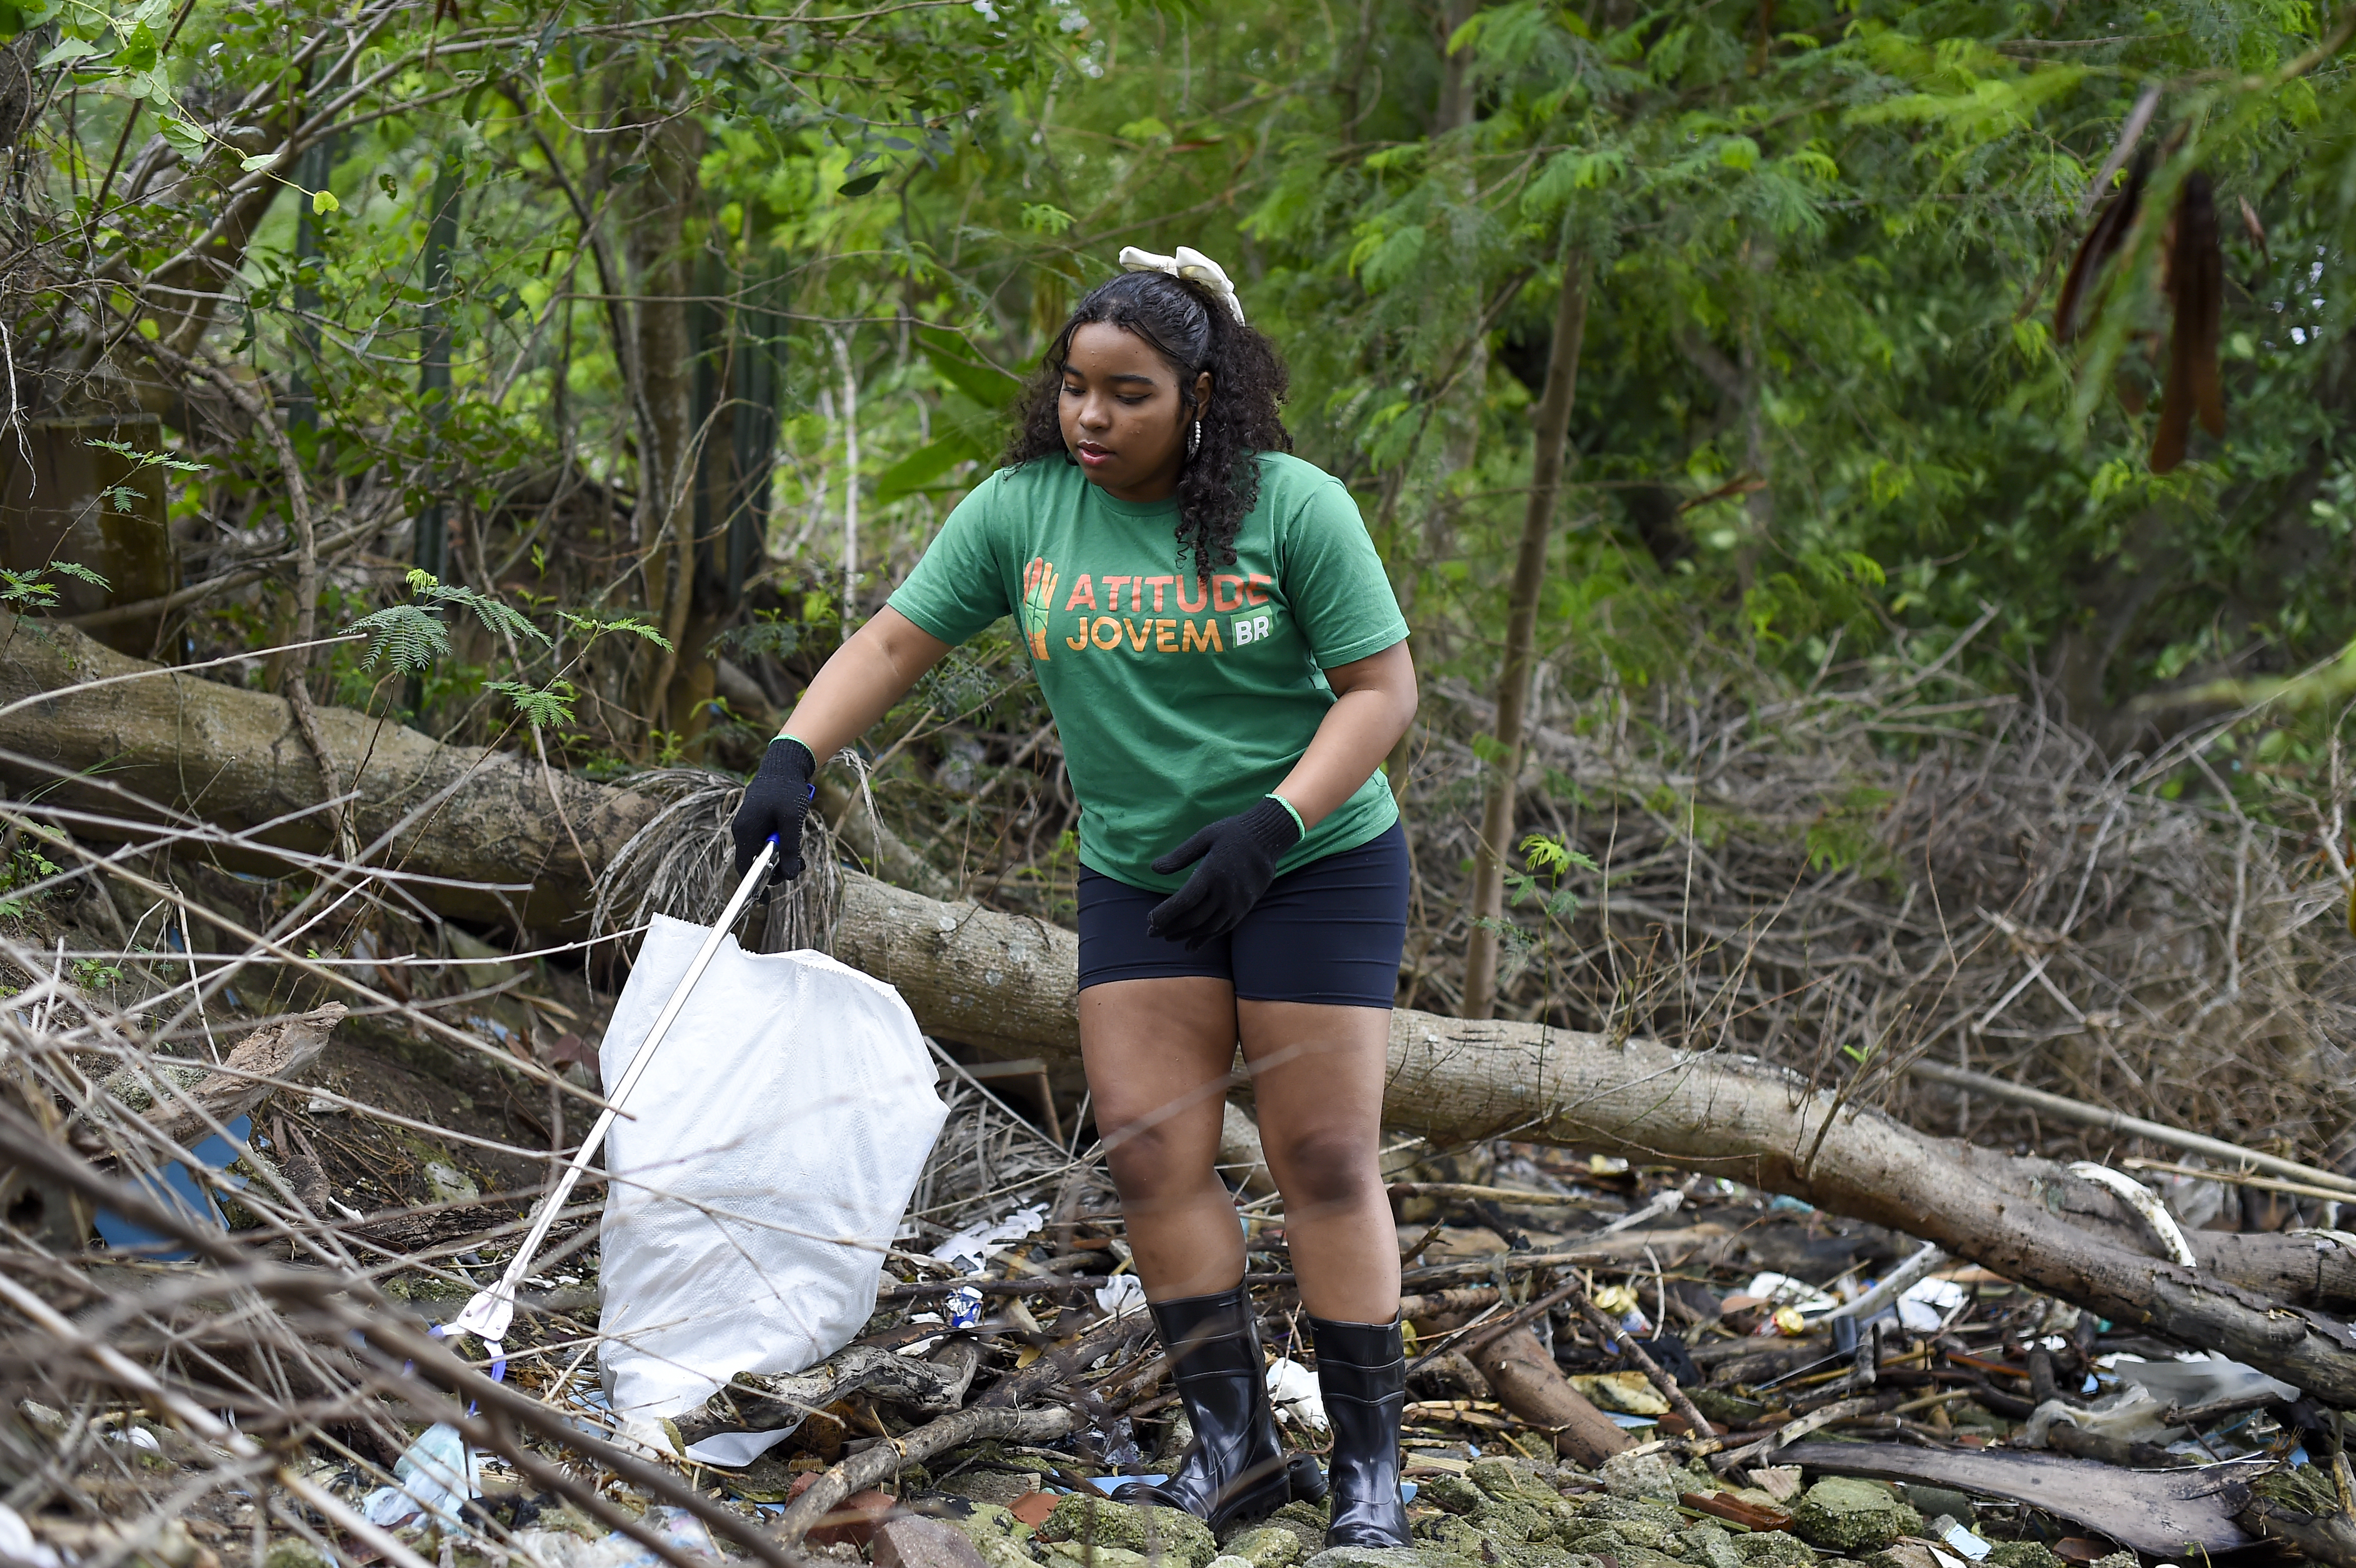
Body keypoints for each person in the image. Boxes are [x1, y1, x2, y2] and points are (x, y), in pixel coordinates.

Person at [729, 245, 1418, 1548]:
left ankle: (1374, 1473)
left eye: (1130, 394)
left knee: (1320, 1154)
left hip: (1310, 861)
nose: (1092, 418)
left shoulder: (1296, 507)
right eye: (1076, 388)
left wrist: (1275, 823)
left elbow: (1382, 694)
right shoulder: (1021, 512)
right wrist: (793, 755)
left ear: (1202, 395)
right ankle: (1239, 1455)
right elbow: (892, 642)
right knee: (1156, 1153)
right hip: (1142, 871)